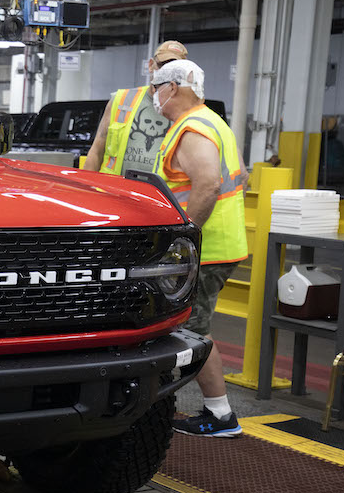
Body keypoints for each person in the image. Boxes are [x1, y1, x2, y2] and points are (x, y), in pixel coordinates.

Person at [149, 59, 249, 437]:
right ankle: (212, 411)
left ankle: (220, 415)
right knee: (191, 327)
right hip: (220, 245)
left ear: (172, 88)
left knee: (189, 331)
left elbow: (208, 184)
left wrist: (184, 240)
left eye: (156, 88)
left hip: (207, 250)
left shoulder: (192, 128)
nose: (154, 96)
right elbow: (241, 175)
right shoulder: (213, 121)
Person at [83, 40, 189, 175]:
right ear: (150, 65)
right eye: (162, 65)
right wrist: (85, 184)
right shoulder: (121, 100)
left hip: (157, 188)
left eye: (174, 68)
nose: (166, 72)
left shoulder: (186, 110)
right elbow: (97, 149)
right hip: (115, 186)